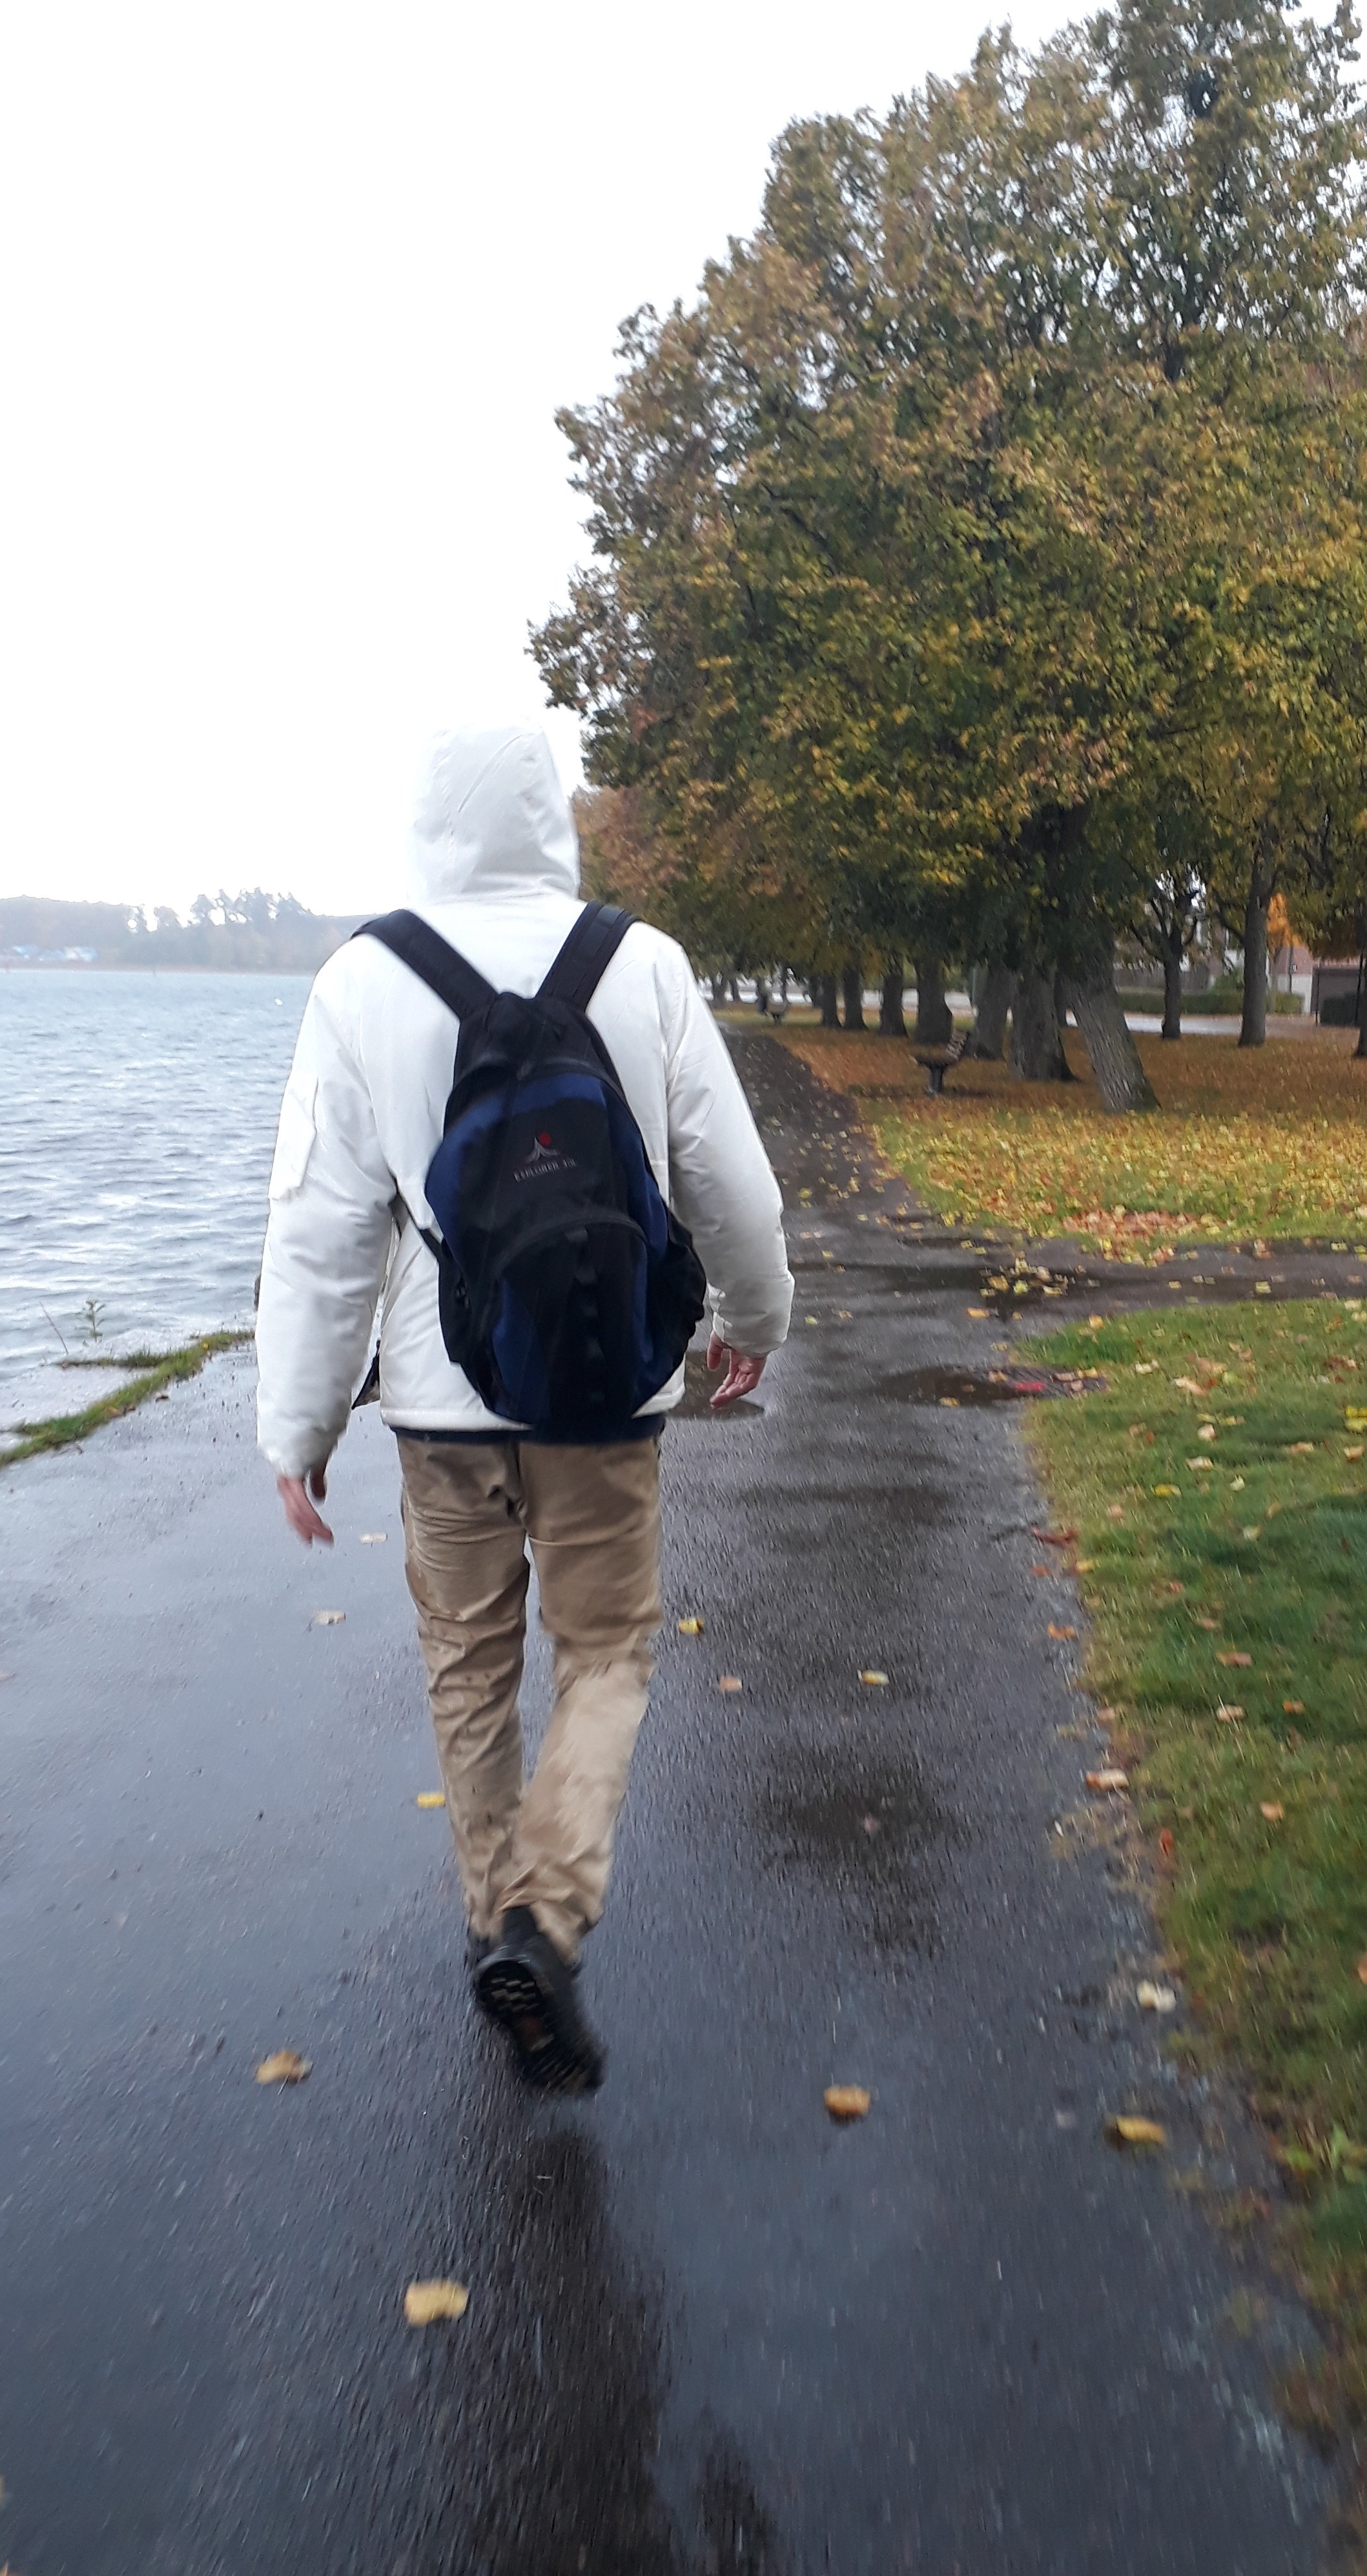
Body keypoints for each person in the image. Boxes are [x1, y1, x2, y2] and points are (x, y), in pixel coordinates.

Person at [254, 728, 793, 2086]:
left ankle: (497, 1917)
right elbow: (726, 1176)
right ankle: (542, 1926)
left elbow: (321, 1228)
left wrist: (299, 1427)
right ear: (552, 817)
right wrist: (753, 1318)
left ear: (428, 823)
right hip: (605, 1388)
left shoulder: (361, 980)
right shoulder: (641, 962)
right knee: (606, 1653)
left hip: (442, 1402)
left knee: (468, 1666)